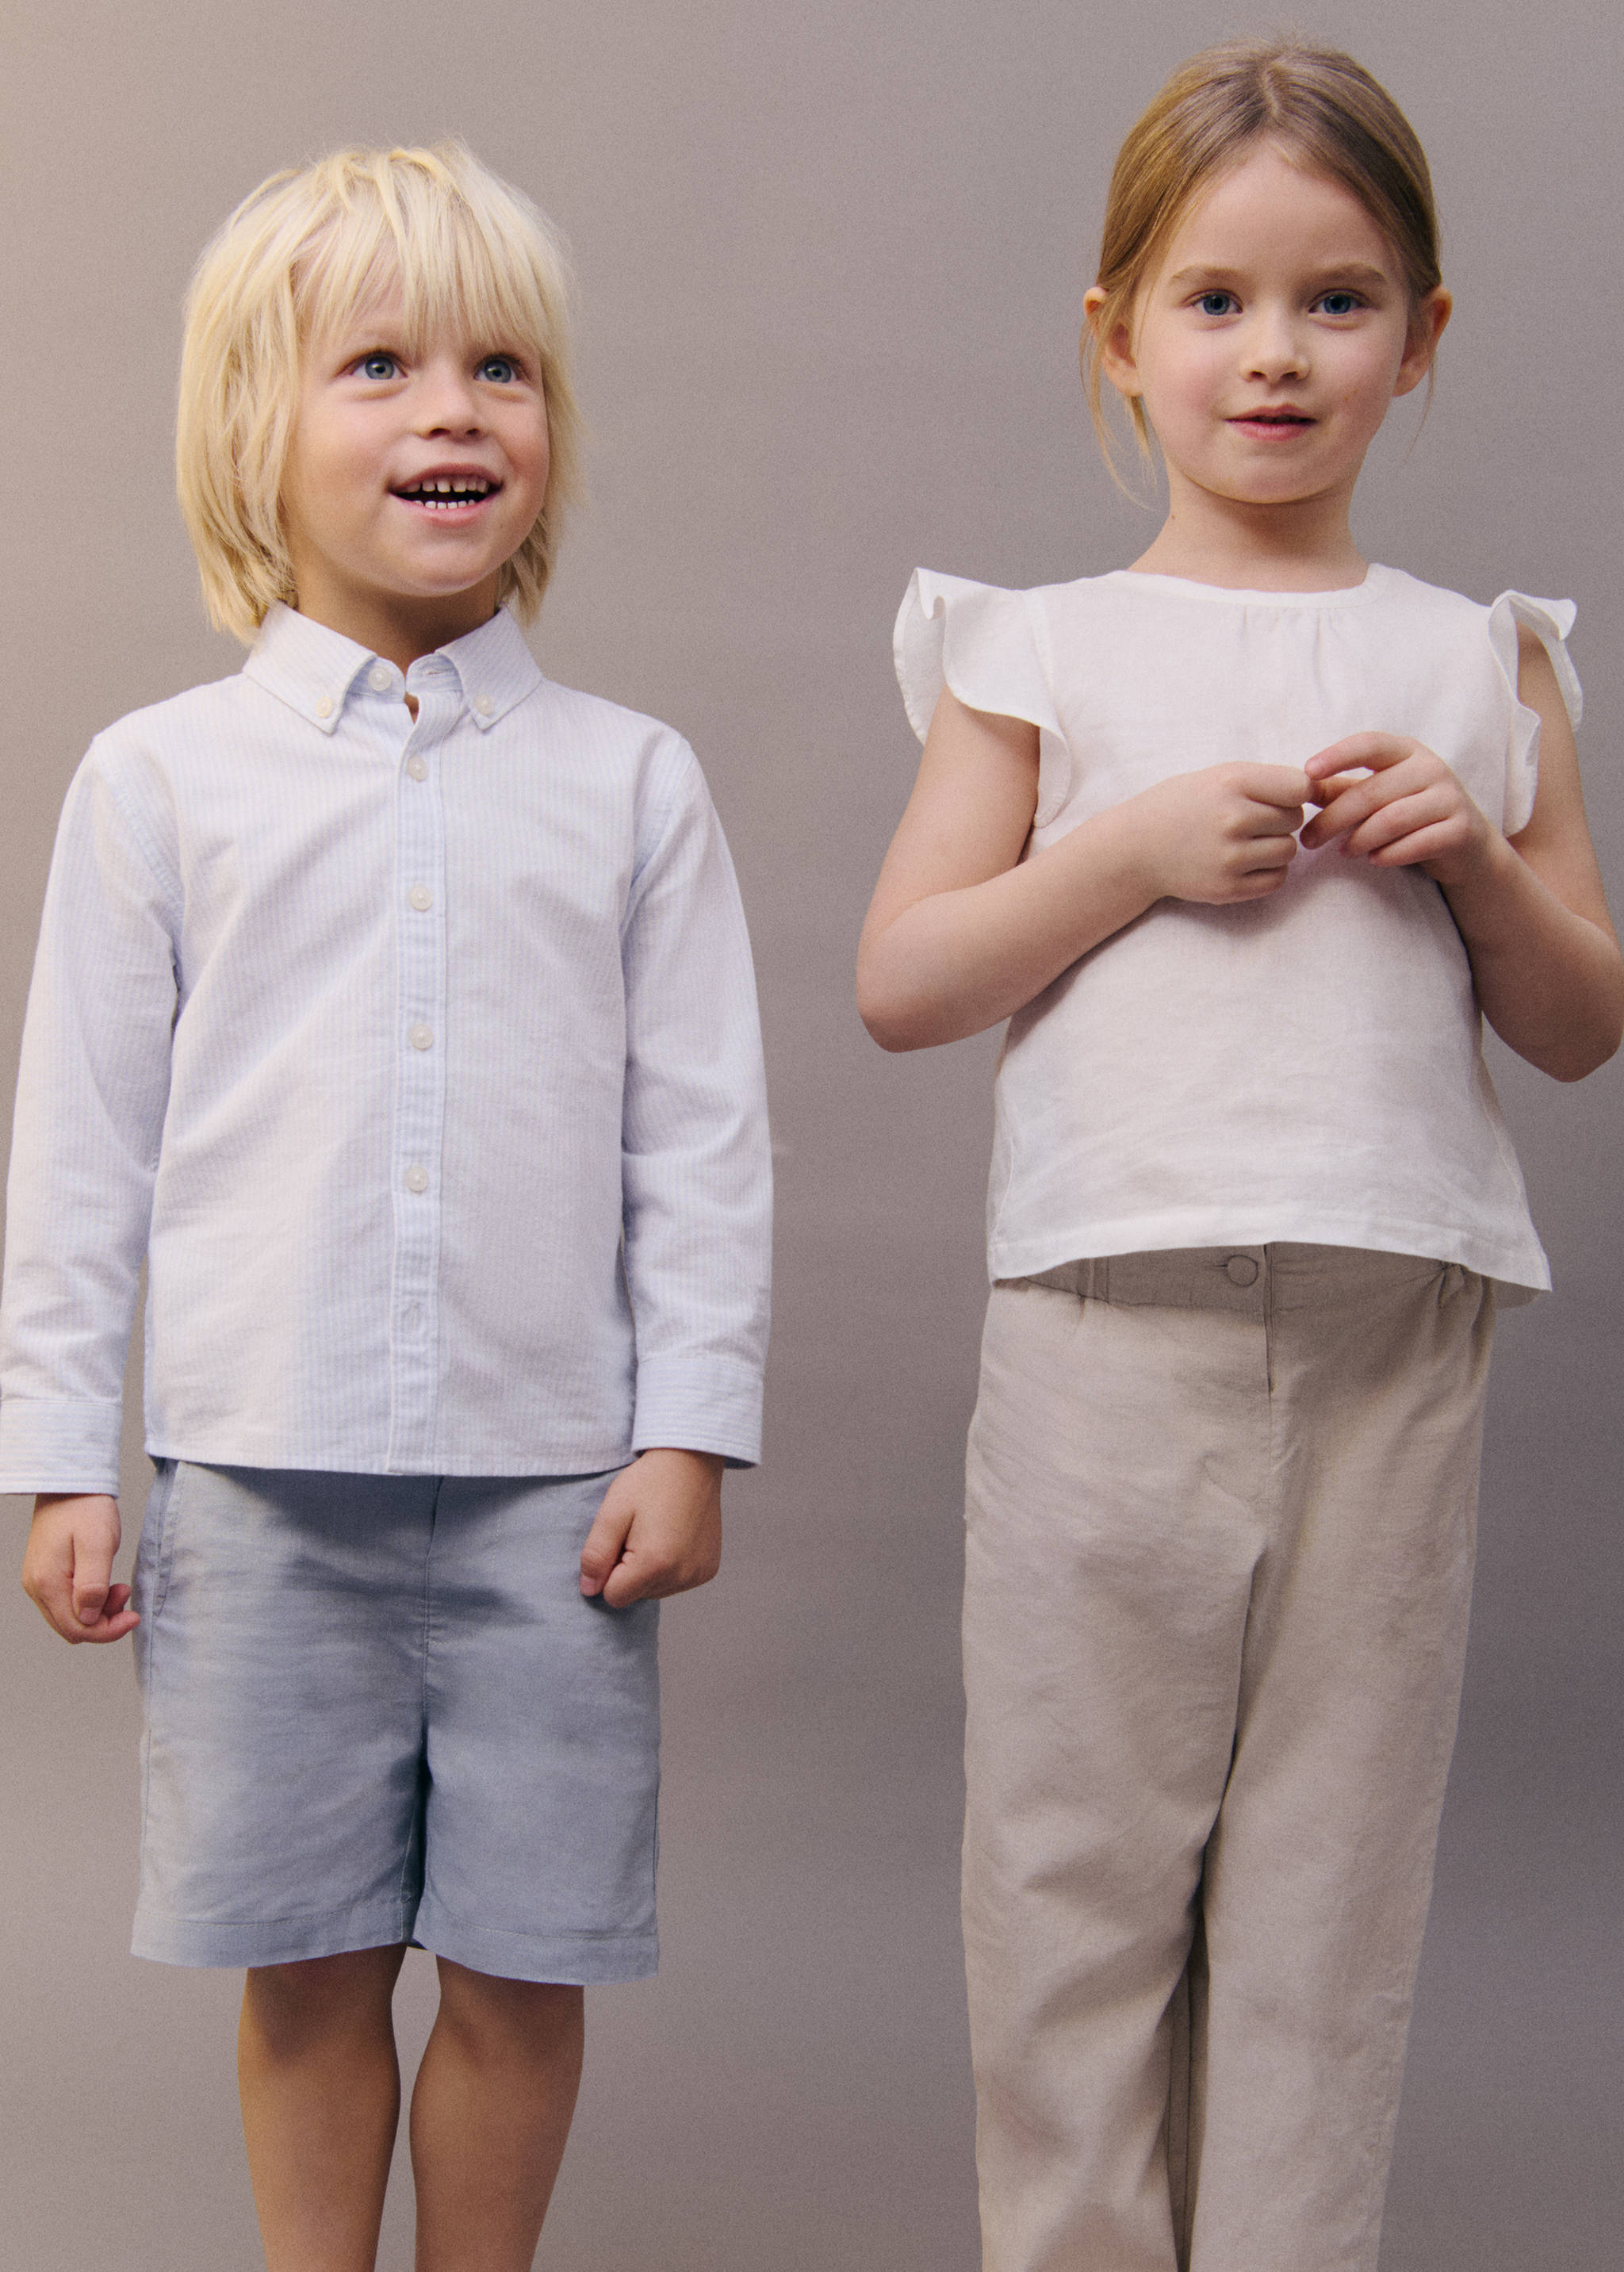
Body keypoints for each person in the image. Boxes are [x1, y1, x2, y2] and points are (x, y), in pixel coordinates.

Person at [858, 36, 1621, 2272]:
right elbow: (908, 975)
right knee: (1075, 1879)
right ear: (1118, 336)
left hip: (1399, 1335)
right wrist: (1120, 853)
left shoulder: (1489, 662)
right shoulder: (1041, 651)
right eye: (1212, 301)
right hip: (1111, 1333)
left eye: (1338, 300)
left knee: (1327, 1887)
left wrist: (1479, 856)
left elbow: (1580, 1023)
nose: (1272, 353)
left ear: (1424, 339)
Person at [2, 143, 771, 2271]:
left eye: (502, 366)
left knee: (530, 1966)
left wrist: (690, 1423)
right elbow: (80, 1139)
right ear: (256, 425)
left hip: (559, 1496)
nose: (453, 411)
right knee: (313, 1957)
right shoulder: (161, 782)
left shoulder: (633, 784)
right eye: (379, 364)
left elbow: (702, 1137)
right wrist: (64, 1452)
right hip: (259, 1481)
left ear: (555, 432)